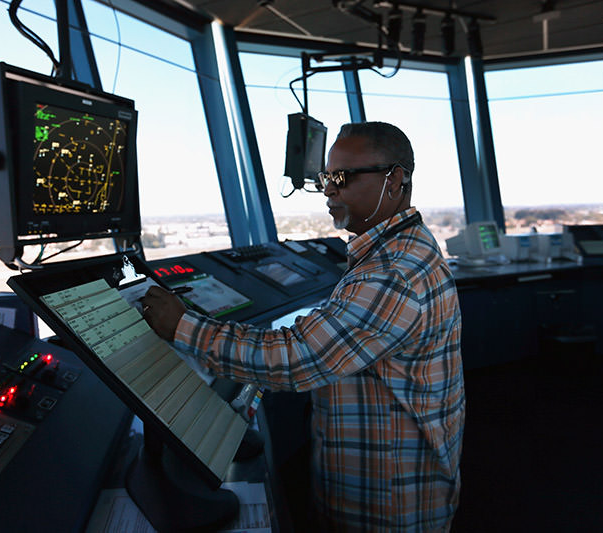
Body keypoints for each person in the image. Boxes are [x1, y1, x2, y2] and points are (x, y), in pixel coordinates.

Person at [141, 122, 465, 532]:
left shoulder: (393, 273)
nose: (329, 190)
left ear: (395, 178)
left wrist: (183, 326)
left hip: (390, 503)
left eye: (342, 178)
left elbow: (296, 359)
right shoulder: (398, 248)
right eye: (325, 178)